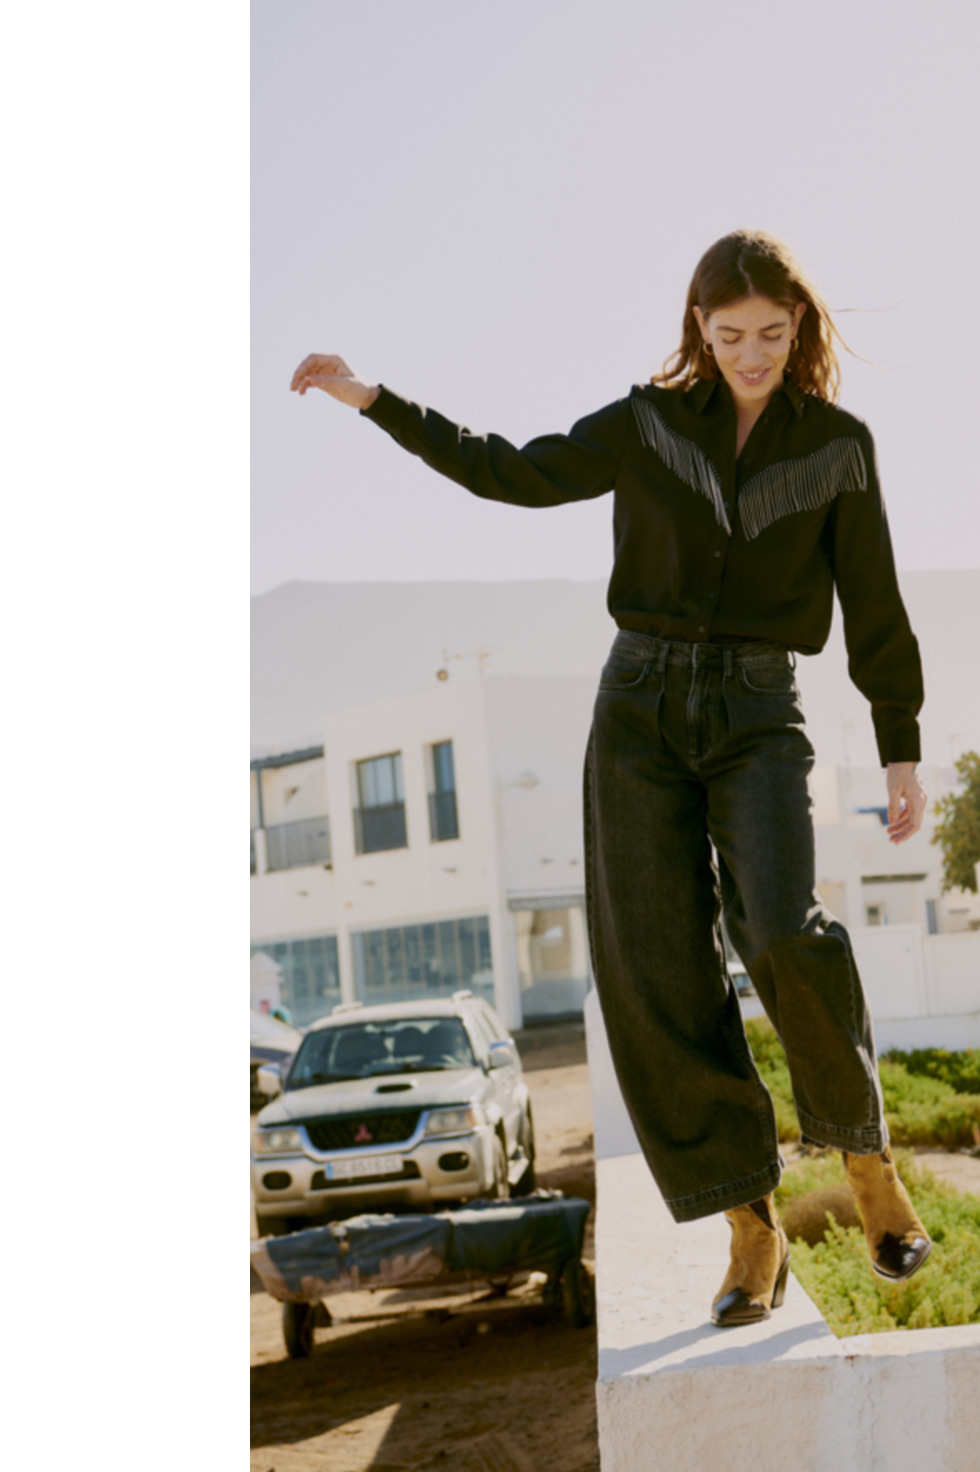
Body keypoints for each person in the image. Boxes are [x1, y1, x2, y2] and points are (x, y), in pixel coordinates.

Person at [290, 229, 933, 1327]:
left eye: (770, 333)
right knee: (657, 966)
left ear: (798, 327)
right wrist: (373, 400)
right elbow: (510, 470)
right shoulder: (646, 424)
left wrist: (899, 743)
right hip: (637, 711)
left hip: (757, 712)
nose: (751, 354)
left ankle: (867, 1164)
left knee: (783, 929)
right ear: (699, 329)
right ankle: (751, 1227)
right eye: (729, 335)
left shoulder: (837, 447)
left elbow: (873, 597)